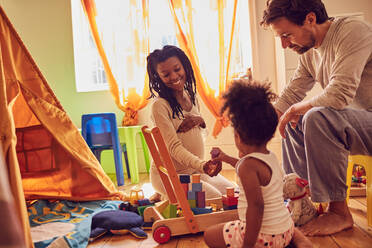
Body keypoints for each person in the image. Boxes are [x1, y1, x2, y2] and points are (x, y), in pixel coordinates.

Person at [260, 0, 372, 236]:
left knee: (314, 116)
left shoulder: (353, 31)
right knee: (293, 122)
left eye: (287, 35)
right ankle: (303, 204)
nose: (283, 44)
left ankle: (339, 212)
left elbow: (340, 94)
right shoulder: (309, 53)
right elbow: (289, 96)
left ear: (310, 19)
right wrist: (255, 134)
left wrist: (294, 109)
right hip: (356, 122)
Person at [203, 79, 312, 248]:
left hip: (265, 238)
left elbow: (257, 207)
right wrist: (224, 158)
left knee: (210, 235)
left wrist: (248, 245)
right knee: (278, 217)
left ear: (238, 136)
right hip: (285, 230)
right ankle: (299, 241)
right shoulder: (269, 157)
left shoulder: (248, 166)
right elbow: (244, 166)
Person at [146, 45, 236, 201]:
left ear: (185, 67)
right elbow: (173, 148)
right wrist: (202, 165)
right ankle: (166, 195)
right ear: (158, 77)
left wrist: (199, 121)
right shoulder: (160, 105)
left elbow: (201, 135)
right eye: (166, 74)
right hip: (172, 176)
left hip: (195, 172)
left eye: (177, 69)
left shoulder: (190, 96)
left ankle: (166, 197)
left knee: (235, 193)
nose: (174, 76)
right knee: (216, 200)